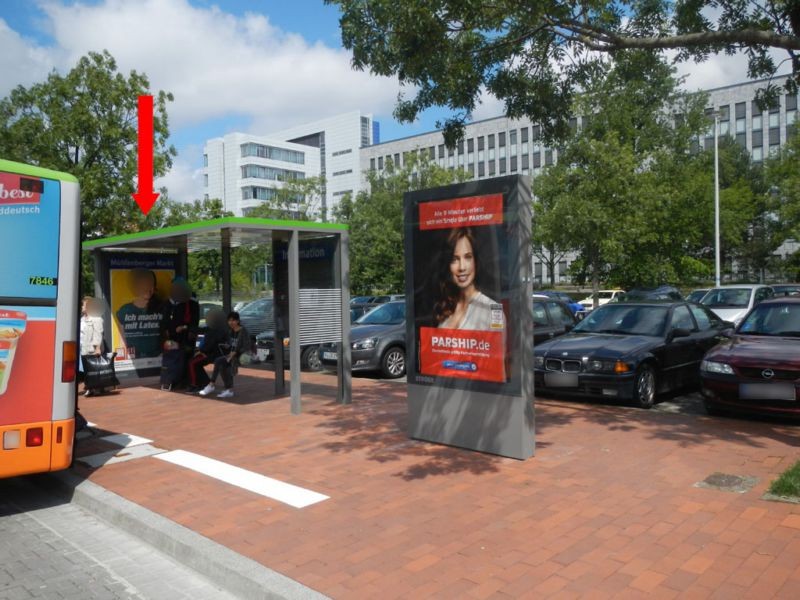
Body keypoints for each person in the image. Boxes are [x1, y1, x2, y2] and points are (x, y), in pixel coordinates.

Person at [434, 227, 505, 331]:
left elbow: (499, 347)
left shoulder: (494, 310)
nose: (462, 267)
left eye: (468, 257)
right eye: (454, 259)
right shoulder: (446, 306)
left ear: (475, 261)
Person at [199, 311, 251, 399]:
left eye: (233, 320)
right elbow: (230, 344)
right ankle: (229, 390)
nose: (231, 322)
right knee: (223, 366)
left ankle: (211, 385)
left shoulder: (243, 331)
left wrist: (236, 352)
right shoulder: (230, 331)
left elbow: (247, 346)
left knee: (219, 361)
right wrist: (227, 346)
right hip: (231, 355)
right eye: (229, 320)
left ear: (238, 321)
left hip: (241, 356)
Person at [115, 269, 164, 359]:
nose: (149, 288)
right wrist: (123, 359)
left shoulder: (161, 308)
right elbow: (122, 340)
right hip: (134, 359)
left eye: (152, 285)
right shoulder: (125, 311)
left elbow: (165, 334)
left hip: (157, 359)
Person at [186, 309, 228, 392]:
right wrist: (186, 327)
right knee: (196, 363)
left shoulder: (217, 331)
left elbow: (210, 345)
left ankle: (195, 385)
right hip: (210, 352)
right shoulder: (213, 328)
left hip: (212, 354)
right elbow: (201, 330)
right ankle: (206, 382)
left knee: (192, 363)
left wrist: (201, 351)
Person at [79, 297, 104, 396]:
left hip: (91, 349)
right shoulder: (82, 319)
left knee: (93, 369)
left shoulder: (96, 318)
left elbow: (98, 333)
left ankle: (95, 388)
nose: (81, 307)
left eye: (83, 305)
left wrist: (97, 348)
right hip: (82, 348)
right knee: (86, 370)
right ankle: (90, 387)